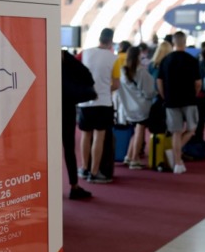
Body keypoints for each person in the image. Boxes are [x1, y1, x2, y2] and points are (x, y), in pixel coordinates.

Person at [156, 31, 201, 174]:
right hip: (189, 99)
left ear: (173, 43)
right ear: (185, 42)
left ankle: (177, 163)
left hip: (171, 100)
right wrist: (193, 94)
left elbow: (159, 81)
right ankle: (176, 155)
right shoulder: (192, 60)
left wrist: (164, 96)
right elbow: (198, 83)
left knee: (176, 132)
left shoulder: (166, 60)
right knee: (191, 129)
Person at [78, 28, 119, 183]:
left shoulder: (85, 53)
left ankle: (84, 168)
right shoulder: (114, 59)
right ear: (111, 41)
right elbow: (116, 84)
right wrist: (103, 89)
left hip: (85, 102)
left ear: (99, 38)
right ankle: (95, 173)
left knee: (85, 134)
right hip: (103, 102)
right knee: (99, 137)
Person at [61, 50, 94, 199]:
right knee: (68, 148)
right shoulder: (64, 56)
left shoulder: (39, 56)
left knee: (45, 151)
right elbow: (86, 75)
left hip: (44, 109)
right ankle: (74, 185)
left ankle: (45, 186)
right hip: (66, 107)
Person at [116, 46, 155, 169]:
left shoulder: (122, 71)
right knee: (140, 131)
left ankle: (128, 156)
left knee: (135, 131)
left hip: (128, 107)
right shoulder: (141, 72)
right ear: (139, 57)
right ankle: (134, 159)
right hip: (141, 106)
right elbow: (149, 92)